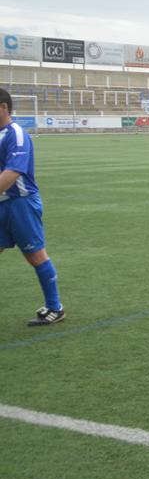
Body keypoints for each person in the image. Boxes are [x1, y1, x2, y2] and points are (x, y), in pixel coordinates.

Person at [0, 87, 65, 326]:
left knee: (36, 256)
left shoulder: (15, 133)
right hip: (3, 204)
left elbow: (13, 171)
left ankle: (55, 308)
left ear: (4, 107)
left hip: (21, 204)